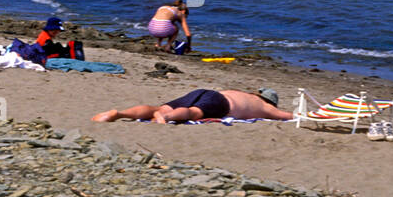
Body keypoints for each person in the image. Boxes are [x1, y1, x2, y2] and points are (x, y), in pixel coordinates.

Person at [92, 87, 291, 124]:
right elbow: (286, 116)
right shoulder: (265, 106)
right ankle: (167, 118)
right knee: (194, 113)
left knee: (158, 108)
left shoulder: (242, 93)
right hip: (220, 103)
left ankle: (119, 113)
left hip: (205, 91)